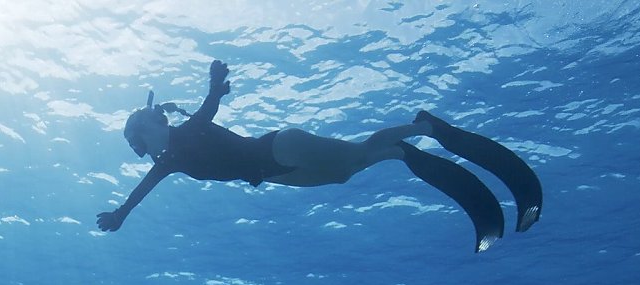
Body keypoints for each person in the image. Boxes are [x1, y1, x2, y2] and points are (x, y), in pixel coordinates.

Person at [97, 60, 543, 253]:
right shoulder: (166, 161)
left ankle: (424, 128)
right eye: (150, 120)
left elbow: (208, 112)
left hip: (278, 147)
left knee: (357, 153)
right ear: (143, 137)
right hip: (272, 173)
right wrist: (121, 212)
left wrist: (214, 85)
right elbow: (143, 189)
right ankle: (401, 151)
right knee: (349, 172)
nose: (160, 119)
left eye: (156, 116)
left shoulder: (184, 132)